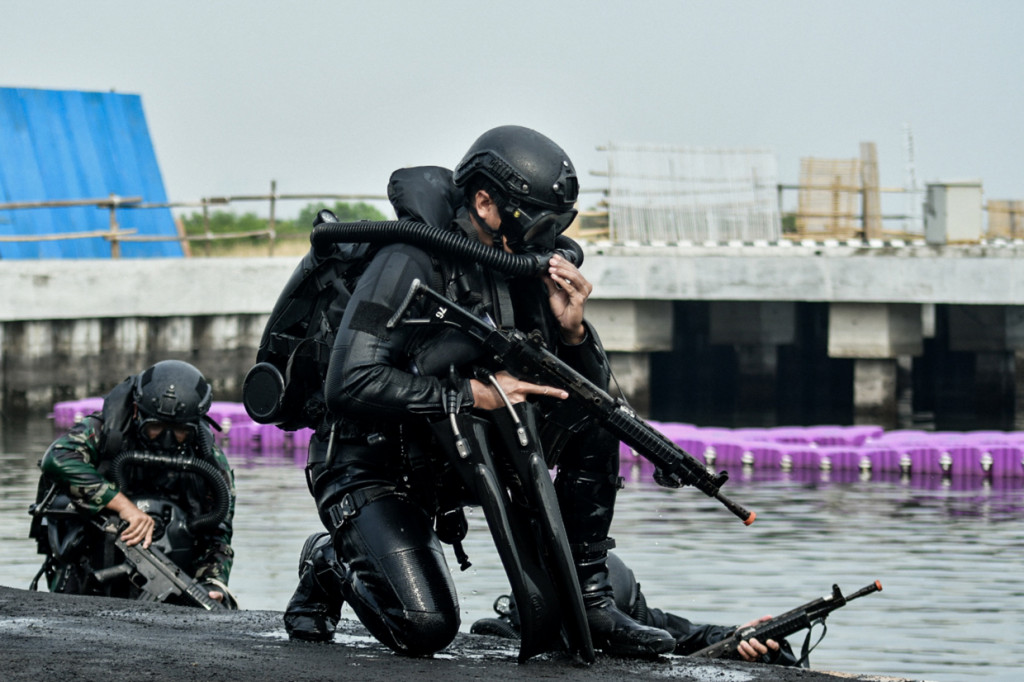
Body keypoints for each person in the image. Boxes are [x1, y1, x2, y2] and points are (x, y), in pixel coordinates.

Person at [282, 125, 778, 660]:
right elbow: (350, 382)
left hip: (456, 459)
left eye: (557, 224)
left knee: (592, 412)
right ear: (484, 201)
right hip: (369, 465)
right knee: (425, 627)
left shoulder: (517, 268)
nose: (546, 237)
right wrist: (471, 396)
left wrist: (573, 334)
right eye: (537, 219)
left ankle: (590, 598)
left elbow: (587, 389)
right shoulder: (409, 259)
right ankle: (329, 561)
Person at [30, 359, 236, 607]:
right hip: (89, 558)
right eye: (155, 427)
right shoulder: (108, 431)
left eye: (179, 430)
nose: (166, 438)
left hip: (166, 565)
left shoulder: (209, 461)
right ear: (138, 412)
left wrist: (213, 582)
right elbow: (57, 459)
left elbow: (218, 533)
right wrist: (124, 507)